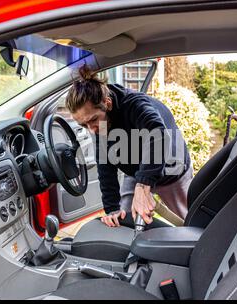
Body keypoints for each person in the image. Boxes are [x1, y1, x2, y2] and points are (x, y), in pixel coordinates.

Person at [65, 65, 192, 228]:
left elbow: (158, 133)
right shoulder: (100, 122)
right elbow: (105, 163)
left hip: (172, 167)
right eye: (84, 124)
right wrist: (111, 209)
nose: (91, 129)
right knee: (124, 221)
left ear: (107, 103)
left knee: (190, 222)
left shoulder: (134, 104)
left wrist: (143, 185)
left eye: (93, 120)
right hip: (136, 169)